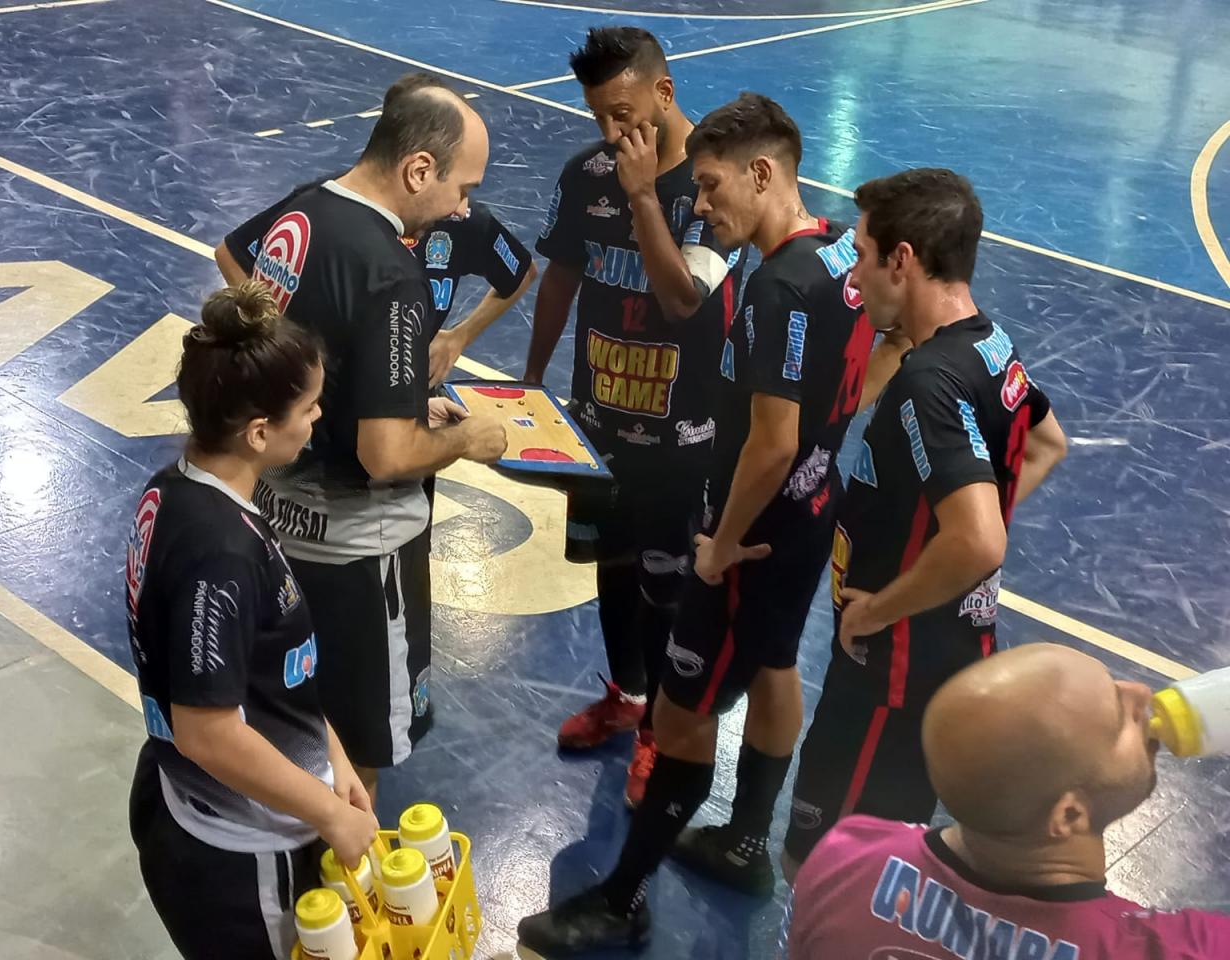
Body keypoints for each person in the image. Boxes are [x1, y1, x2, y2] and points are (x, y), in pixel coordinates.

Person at [516, 92, 896, 953]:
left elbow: (770, 441)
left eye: (717, 184)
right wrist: (833, 432)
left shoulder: (778, 287)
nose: (705, 201)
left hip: (751, 529)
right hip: (809, 515)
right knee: (771, 666)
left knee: (682, 714)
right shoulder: (843, 252)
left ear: (765, 174)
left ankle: (619, 898)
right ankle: (745, 841)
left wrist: (720, 543)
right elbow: (889, 342)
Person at [214, 76, 507, 789]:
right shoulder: (391, 272)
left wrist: (358, 393)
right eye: (461, 186)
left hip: (274, 523)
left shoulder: (306, 212)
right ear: (418, 170)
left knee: (290, 725)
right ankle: (341, 890)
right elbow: (387, 455)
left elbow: (236, 267)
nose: (464, 206)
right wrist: (470, 440)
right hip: (361, 558)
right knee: (357, 758)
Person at [782, 168, 1069, 877]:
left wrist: (881, 606)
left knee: (822, 866)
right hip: (949, 653)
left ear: (902, 261)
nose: (856, 277)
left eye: (864, 254)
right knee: (889, 860)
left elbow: (978, 538)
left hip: (892, 674)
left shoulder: (927, 383)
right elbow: (1045, 443)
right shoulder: (990, 345)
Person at [524, 26, 744, 806]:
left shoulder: (712, 190)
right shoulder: (588, 175)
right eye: (600, 120)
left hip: (682, 438)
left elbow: (685, 301)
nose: (615, 135)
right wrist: (530, 380)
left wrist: (645, 193)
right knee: (612, 568)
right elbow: (561, 275)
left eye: (625, 114)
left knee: (669, 584)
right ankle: (625, 696)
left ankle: (662, 726)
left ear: (664, 92)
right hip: (598, 419)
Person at [127, 282, 378, 960]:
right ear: (260, 432)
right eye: (309, 406)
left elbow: (263, 674)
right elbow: (208, 732)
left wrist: (334, 757)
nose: (319, 417)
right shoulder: (221, 551)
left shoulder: (180, 485)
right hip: (240, 856)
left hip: (202, 810)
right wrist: (327, 812)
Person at [786, 643, 1230, 958]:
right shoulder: (1181, 948)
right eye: (1120, 718)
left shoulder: (843, 857)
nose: (1142, 692)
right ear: (1069, 814)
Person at [406, 196, 538, 386]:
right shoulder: (355, 222)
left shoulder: (458, 222)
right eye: (460, 187)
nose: (463, 207)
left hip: (409, 392)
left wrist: (461, 336)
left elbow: (522, 271)